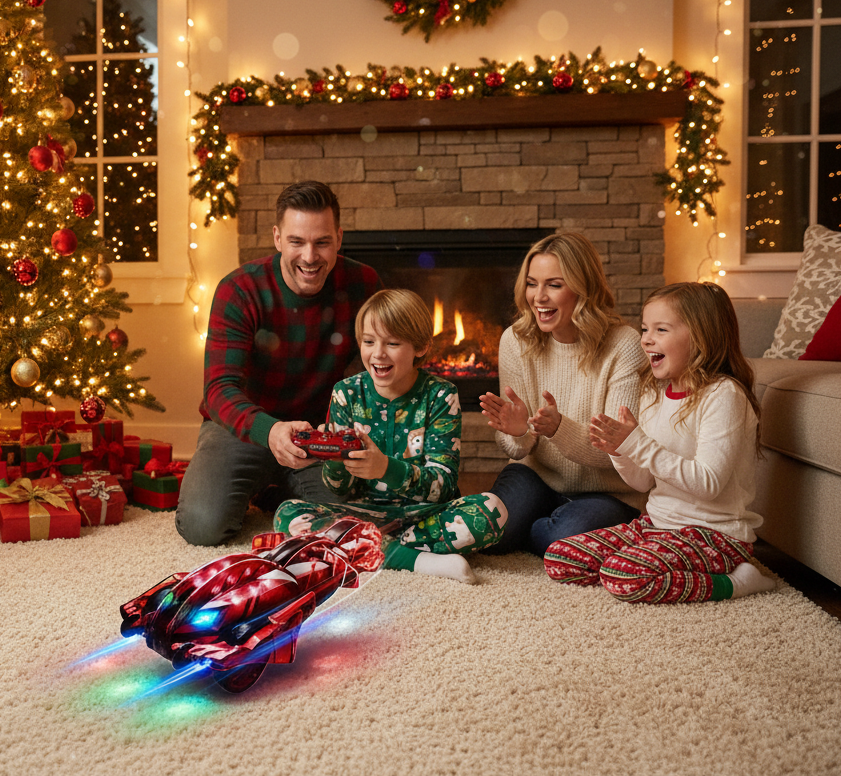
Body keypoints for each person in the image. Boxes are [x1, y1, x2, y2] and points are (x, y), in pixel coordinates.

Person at [175, 181, 382, 546]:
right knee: (202, 527)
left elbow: (374, 370)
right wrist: (270, 432)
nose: (309, 256)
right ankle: (270, 479)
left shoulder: (364, 283)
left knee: (349, 528)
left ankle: (276, 489)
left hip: (322, 431)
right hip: (247, 427)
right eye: (296, 242)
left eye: (322, 242)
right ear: (277, 238)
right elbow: (219, 390)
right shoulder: (239, 290)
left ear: (339, 237)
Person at [543, 282, 777, 604]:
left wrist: (637, 444)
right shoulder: (654, 394)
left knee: (623, 575)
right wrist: (620, 451)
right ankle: (649, 564)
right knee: (560, 556)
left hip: (715, 535)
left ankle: (738, 582)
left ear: (700, 337)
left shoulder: (724, 396)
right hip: (655, 525)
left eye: (661, 329)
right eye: (644, 329)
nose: (646, 339)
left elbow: (708, 483)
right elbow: (643, 482)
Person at [272, 289, 506, 584]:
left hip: (424, 515)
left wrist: (385, 468)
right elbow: (339, 491)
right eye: (369, 342)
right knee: (288, 513)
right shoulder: (346, 393)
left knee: (491, 510)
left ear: (420, 347)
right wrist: (332, 459)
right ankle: (417, 560)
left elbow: (443, 487)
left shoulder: (441, 395)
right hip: (361, 512)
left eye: (392, 343)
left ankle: (351, 549)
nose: (378, 353)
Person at [468, 231, 647, 556]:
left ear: (583, 287)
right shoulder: (516, 340)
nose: (538, 296)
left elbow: (618, 451)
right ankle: (535, 523)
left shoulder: (624, 345)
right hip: (536, 476)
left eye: (554, 284)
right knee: (489, 537)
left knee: (560, 538)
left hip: (608, 492)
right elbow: (515, 448)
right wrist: (520, 432)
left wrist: (559, 429)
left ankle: (547, 527)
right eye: (532, 283)